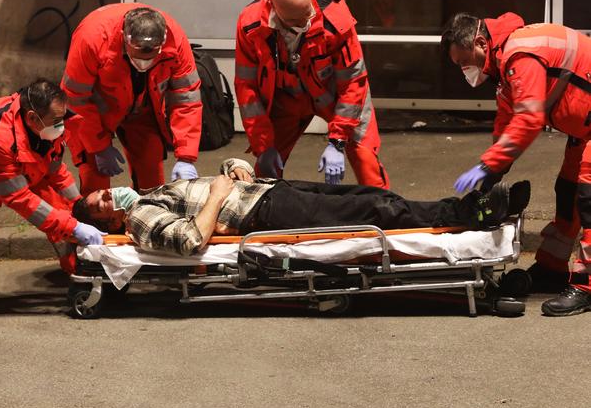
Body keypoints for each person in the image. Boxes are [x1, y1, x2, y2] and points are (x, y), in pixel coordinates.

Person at [441, 12, 591, 316]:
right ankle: (552, 268)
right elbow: (507, 119)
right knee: (568, 191)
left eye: (463, 62)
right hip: (584, 128)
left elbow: (528, 119)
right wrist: (494, 171)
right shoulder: (504, 62)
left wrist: (487, 166)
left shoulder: (520, 54)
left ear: (481, 42)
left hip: (586, 125)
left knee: (588, 199)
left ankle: (587, 286)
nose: (464, 71)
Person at [74, 158, 530, 258]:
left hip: (269, 193)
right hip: (267, 216)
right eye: (102, 203)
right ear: (109, 220)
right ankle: (472, 215)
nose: (109, 193)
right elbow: (192, 240)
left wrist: (234, 172)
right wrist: (216, 195)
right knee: (379, 212)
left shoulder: (150, 193)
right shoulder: (140, 219)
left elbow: (207, 189)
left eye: (103, 191)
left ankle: (465, 207)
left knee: (376, 197)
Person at [0, 79, 105, 317]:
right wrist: (74, 226)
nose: (61, 126)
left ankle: (82, 278)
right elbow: (18, 198)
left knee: (64, 214)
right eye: (56, 122)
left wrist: (79, 206)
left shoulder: (49, 121)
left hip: (1, 170)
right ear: (31, 118)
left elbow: (55, 169)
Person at [234, 0, 387, 187]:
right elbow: (247, 89)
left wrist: (338, 140)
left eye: (308, 14)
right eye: (297, 21)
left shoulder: (334, 19)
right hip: (286, 97)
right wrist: (263, 146)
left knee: (366, 160)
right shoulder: (251, 26)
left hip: (335, 95)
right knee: (265, 172)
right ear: (276, 11)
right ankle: (265, 212)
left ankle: (385, 215)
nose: (306, 22)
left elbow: (353, 81)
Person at [61, 3, 203, 195]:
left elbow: (187, 99)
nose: (144, 62)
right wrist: (98, 146)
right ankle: (94, 225)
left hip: (143, 108)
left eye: (152, 55)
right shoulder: (92, 38)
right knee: (95, 183)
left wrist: (186, 156)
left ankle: (146, 218)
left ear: (162, 43)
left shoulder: (175, 40)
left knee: (152, 181)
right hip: (94, 112)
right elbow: (75, 100)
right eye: (138, 54)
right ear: (124, 39)